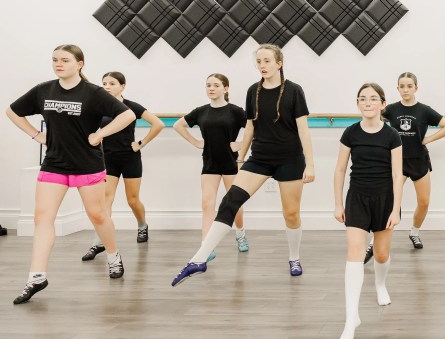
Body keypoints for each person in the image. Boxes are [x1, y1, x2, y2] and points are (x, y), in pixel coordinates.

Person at [171, 44, 314, 285]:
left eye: (267, 61)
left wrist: (310, 165)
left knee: (291, 214)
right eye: (259, 62)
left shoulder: (294, 91)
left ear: (279, 63)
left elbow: (303, 129)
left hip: (290, 159)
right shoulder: (252, 91)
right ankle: (199, 259)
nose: (262, 65)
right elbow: (250, 127)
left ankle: (294, 257)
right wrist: (241, 157)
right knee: (230, 201)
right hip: (259, 158)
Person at [6, 44, 136, 303]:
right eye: (55, 60)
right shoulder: (44, 90)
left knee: (98, 216)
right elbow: (12, 111)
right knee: (42, 218)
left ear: (80, 64)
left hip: (87, 164)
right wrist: (36, 135)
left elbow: (128, 115)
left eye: (65, 60)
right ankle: (36, 276)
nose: (58, 64)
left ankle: (113, 255)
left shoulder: (94, 93)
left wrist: (100, 134)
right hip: (54, 163)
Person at [335, 83, 403, 339]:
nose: (367, 102)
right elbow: (340, 170)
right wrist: (337, 203)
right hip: (357, 199)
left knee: (382, 254)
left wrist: (396, 209)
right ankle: (351, 317)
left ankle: (380, 284)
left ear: (382, 104)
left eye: (373, 99)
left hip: (385, 200)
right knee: (354, 253)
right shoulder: (350, 133)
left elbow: (398, 174)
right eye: (362, 98)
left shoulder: (392, 136)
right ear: (358, 104)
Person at [80, 71, 164, 261]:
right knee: (105, 200)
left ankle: (142, 225)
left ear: (122, 86)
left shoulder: (131, 107)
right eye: (104, 83)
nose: (107, 86)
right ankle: (98, 243)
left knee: (132, 200)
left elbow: (157, 124)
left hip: (130, 157)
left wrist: (141, 143)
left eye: (112, 83)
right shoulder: (99, 108)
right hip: (107, 158)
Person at [370, 71, 445, 257]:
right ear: (397, 88)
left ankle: (414, 232)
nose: (405, 89)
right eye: (402, 86)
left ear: (416, 87)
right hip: (398, 162)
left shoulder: (424, 110)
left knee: (424, 202)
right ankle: (372, 242)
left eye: (409, 86)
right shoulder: (391, 109)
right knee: (388, 202)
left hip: (419, 161)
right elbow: (374, 120)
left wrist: (429, 139)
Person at [172, 73, 249, 255]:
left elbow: (257, 128)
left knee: (234, 204)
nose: (211, 88)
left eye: (215, 85)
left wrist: (242, 144)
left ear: (226, 88)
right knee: (207, 204)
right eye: (208, 85)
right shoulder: (201, 111)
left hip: (231, 163)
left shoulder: (236, 111)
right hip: (210, 163)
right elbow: (177, 125)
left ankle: (241, 234)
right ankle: (206, 246)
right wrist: (196, 142)